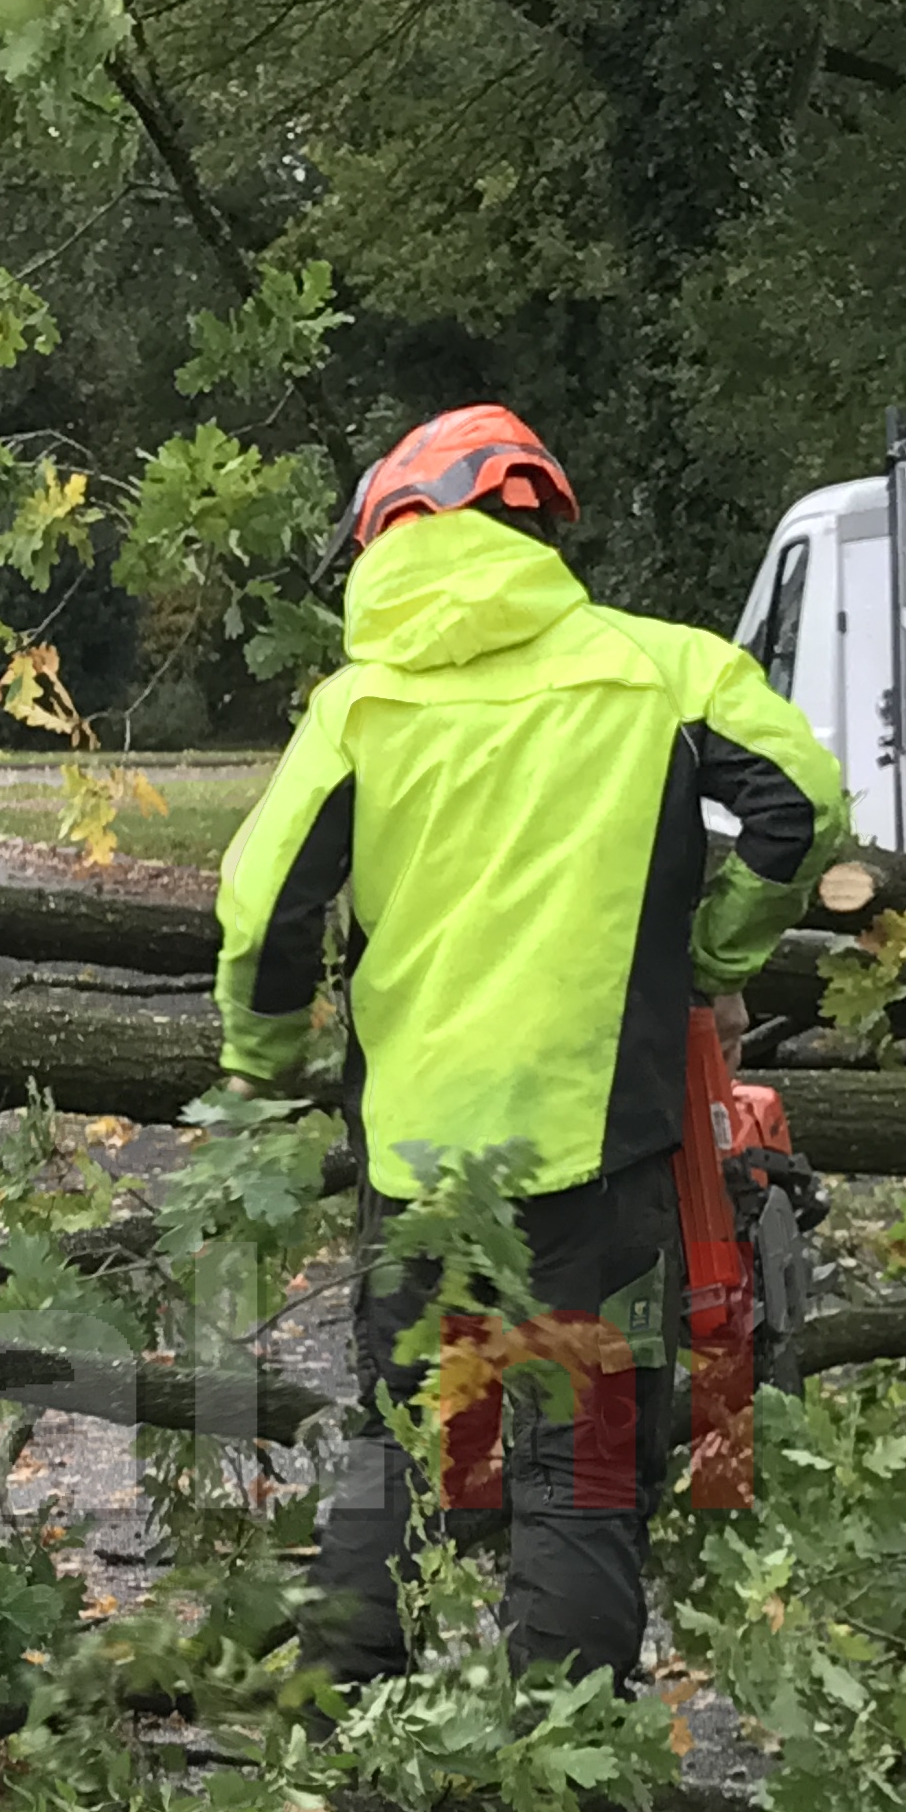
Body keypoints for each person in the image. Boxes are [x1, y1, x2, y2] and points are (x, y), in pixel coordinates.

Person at [215, 405, 847, 1688]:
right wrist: (715, 957)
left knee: (401, 1437)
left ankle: (345, 1736)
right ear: (541, 526)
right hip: (597, 1146)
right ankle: (562, 1785)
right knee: (581, 1463)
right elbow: (802, 805)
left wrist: (265, 1053)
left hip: (419, 1160)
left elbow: (262, 904)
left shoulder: (360, 703)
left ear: (386, 537)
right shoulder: (664, 671)